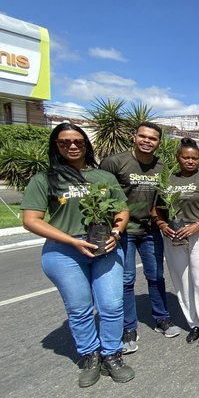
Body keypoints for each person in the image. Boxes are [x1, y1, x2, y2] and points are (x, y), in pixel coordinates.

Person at [20, 123, 134, 387]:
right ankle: (90, 355)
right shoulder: (45, 178)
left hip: (106, 247)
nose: (72, 146)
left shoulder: (103, 177)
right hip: (64, 252)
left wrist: (115, 234)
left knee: (111, 305)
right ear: (55, 145)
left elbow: (121, 210)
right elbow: (31, 219)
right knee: (79, 308)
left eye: (78, 142)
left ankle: (112, 354)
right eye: (64, 142)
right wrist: (72, 241)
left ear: (86, 145)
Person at [99, 122, 182, 355]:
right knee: (126, 280)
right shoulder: (115, 163)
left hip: (151, 230)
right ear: (134, 137)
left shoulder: (162, 168)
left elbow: (165, 199)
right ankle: (128, 328)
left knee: (155, 276)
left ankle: (162, 318)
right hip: (122, 231)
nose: (147, 141)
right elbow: (101, 196)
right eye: (143, 136)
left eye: (153, 138)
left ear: (159, 142)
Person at [153, 138, 199, 345]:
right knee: (182, 280)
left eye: (194, 158)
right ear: (178, 158)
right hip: (175, 234)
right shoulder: (167, 181)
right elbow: (156, 208)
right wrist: (161, 224)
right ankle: (194, 323)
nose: (190, 161)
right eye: (186, 157)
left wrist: (198, 225)